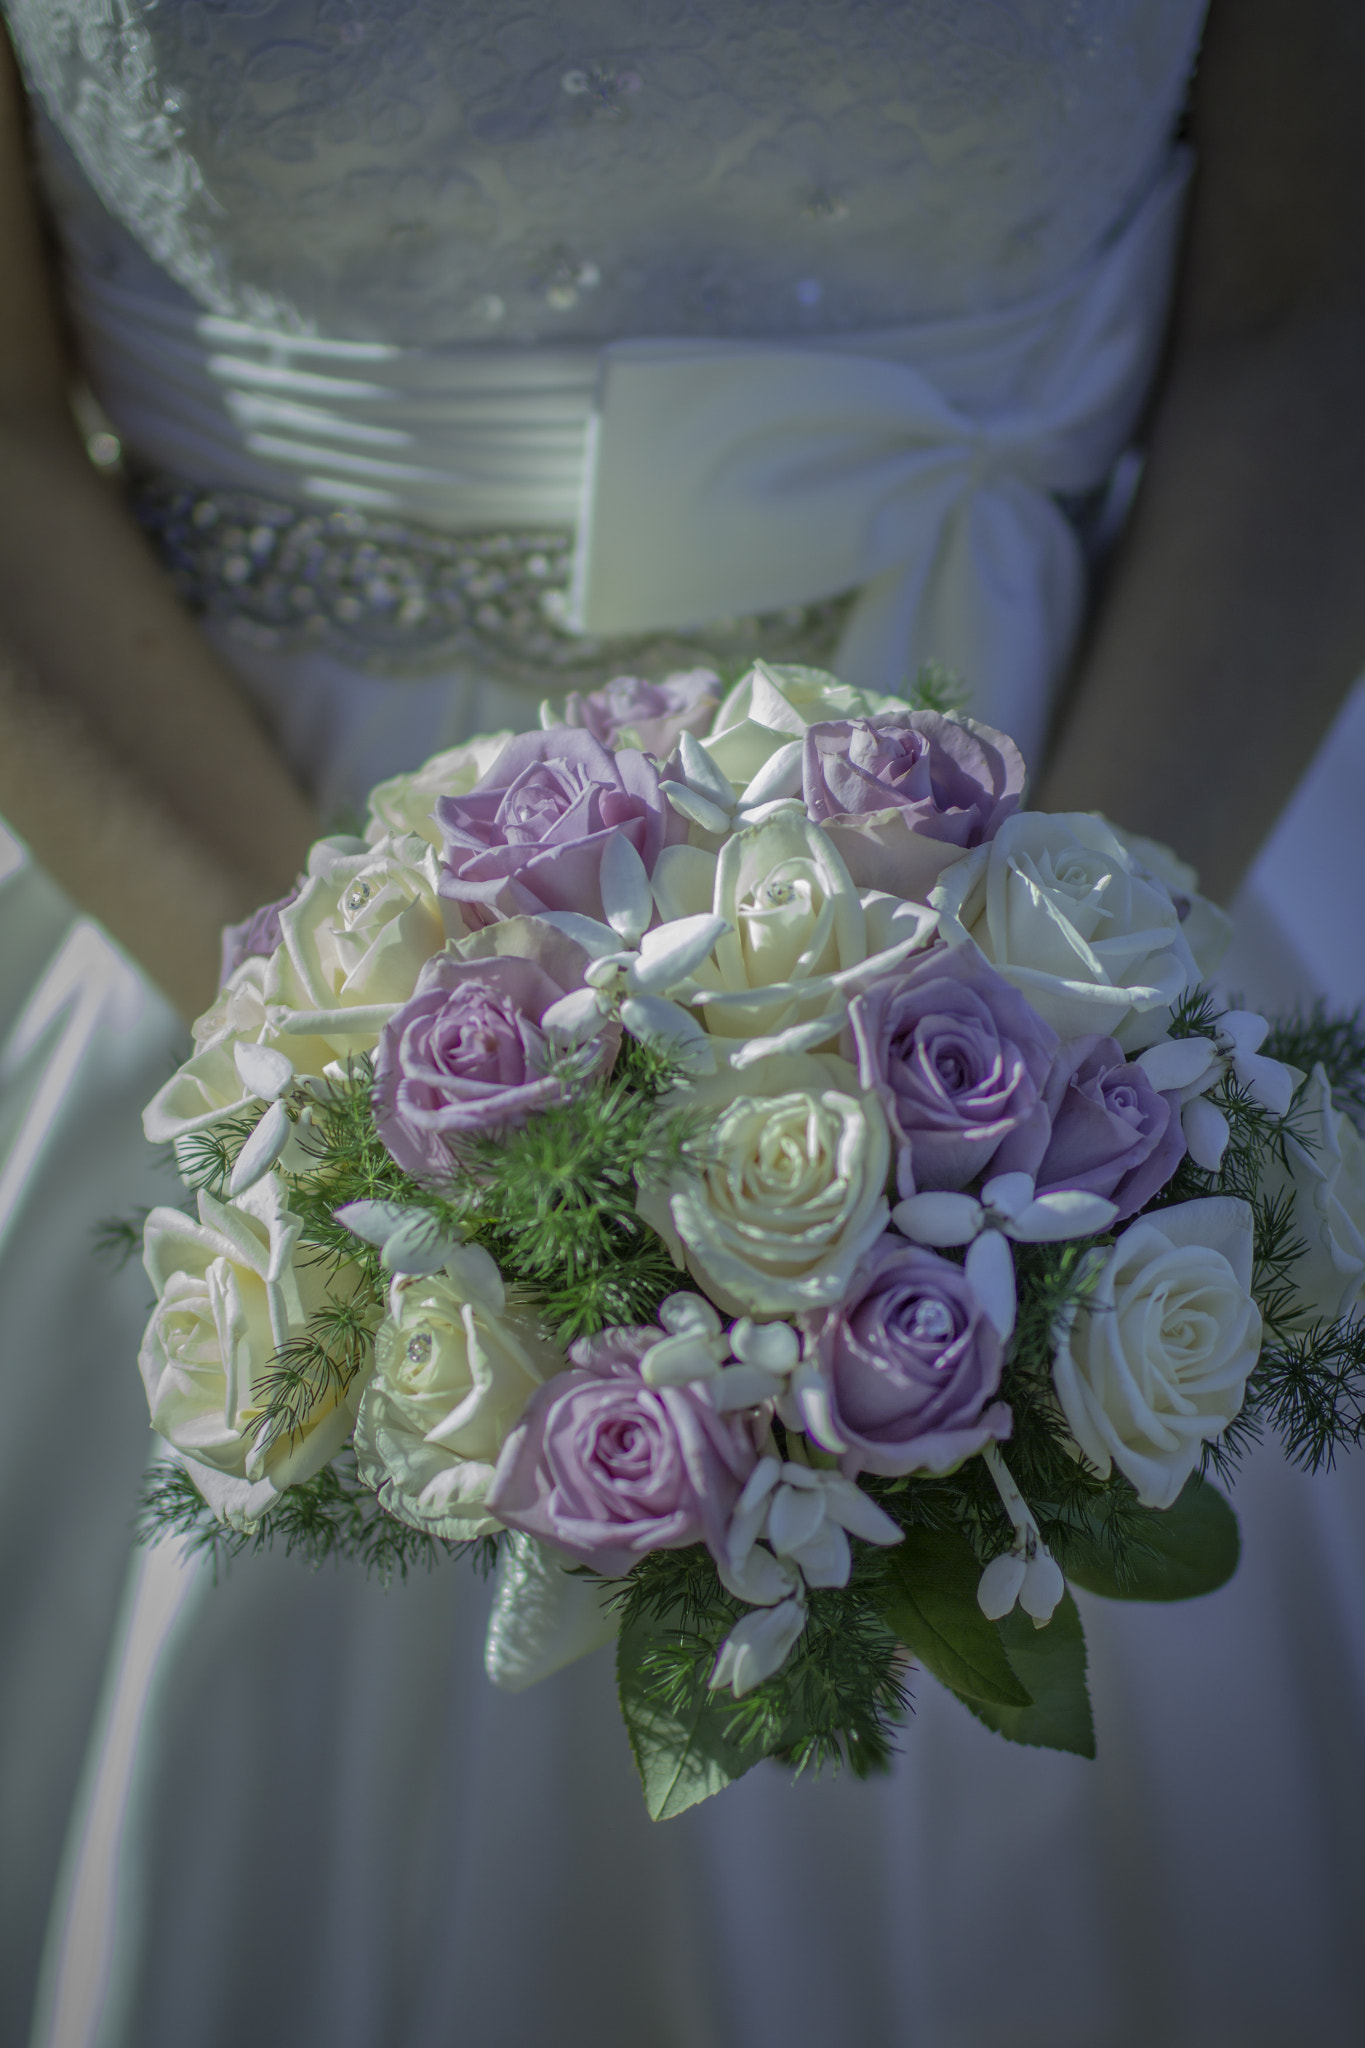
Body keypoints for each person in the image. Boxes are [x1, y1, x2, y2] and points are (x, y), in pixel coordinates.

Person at [1, 4, 1364, 2045]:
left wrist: (1027, 1053)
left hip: (1083, 821)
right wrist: (350, 1088)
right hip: (229, 860)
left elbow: (1301, 305)